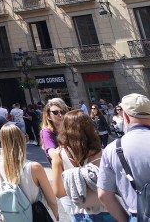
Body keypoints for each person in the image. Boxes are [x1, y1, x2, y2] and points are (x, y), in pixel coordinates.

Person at [98, 93, 150, 222]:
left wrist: (126, 220)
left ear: (126, 116)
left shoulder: (113, 149)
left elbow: (104, 195)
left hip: (139, 216)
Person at [51, 110, 112, 222]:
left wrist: (76, 185)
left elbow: (59, 192)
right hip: (108, 210)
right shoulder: (103, 153)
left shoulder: (58, 154)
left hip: (81, 213)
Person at [0, 124, 58, 221]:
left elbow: (2, 188)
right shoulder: (34, 167)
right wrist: (56, 213)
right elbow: (51, 199)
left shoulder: (0, 164)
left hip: (15, 214)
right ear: (23, 139)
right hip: (35, 213)